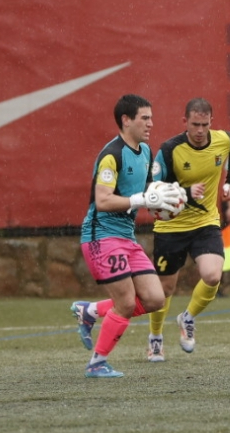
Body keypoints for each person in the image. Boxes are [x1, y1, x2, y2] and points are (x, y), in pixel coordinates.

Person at [70, 94, 184, 378]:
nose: (151, 124)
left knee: (156, 298)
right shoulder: (112, 155)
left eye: (151, 118)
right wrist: (142, 199)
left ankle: (91, 311)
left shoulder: (145, 151)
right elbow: (104, 201)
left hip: (126, 238)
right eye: (145, 118)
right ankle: (97, 363)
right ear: (126, 120)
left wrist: (164, 203)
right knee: (125, 303)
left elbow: (147, 194)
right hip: (101, 237)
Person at [145, 98, 230, 361]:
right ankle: (155, 337)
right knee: (164, 291)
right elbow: (153, 191)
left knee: (212, 275)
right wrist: (185, 192)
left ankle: (187, 318)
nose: (200, 131)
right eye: (194, 124)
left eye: (204, 124)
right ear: (184, 122)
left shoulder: (223, 140)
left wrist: (229, 182)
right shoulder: (169, 150)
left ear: (211, 122)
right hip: (171, 227)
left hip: (205, 223)